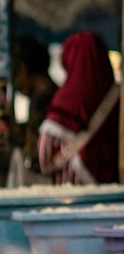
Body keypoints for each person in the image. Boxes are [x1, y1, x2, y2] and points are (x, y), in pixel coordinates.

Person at [38, 31, 120, 186]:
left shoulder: (65, 100)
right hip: (112, 189)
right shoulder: (117, 98)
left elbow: (45, 157)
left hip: (72, 190)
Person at [13, 35, 56, 175]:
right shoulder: (57, 93)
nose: (18, 82)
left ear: (24, 69)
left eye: (17, 74)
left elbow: (35, 151)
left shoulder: (41, 101)